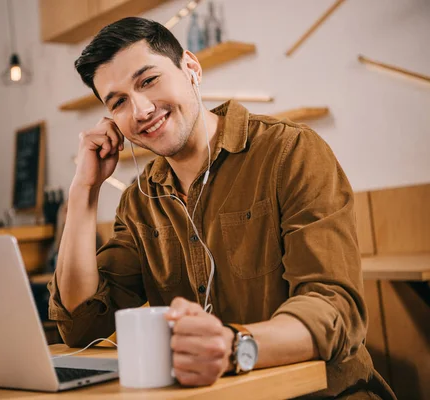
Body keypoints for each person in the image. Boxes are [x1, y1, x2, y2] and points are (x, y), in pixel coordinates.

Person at [48, 17, 395, 399]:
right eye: (119, 102)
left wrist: (233, 347)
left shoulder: (290, 152)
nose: (142, 109)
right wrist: (84, 189)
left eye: (148, 81)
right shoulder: (139, 201)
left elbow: (336, 310)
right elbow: (81, 325)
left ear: (191, 69)